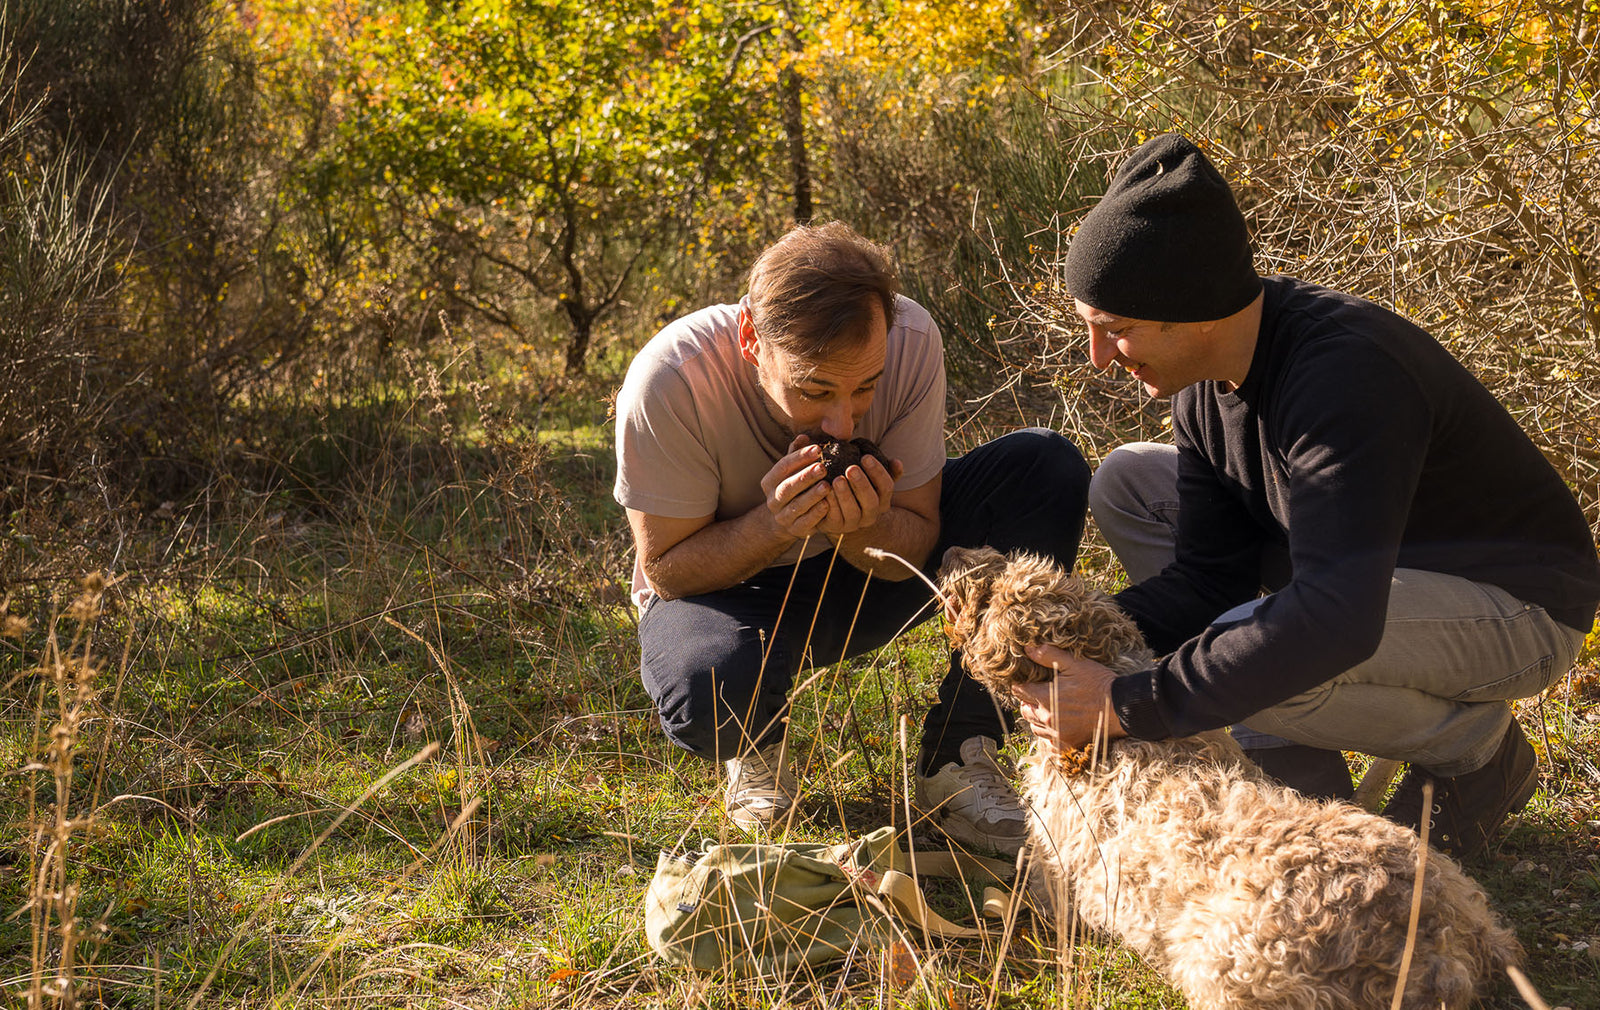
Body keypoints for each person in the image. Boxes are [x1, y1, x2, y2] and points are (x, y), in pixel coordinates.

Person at [1013, 133, 1600, 859]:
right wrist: (1068, 649)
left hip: (1517, 608)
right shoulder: (1205, 387)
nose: (1100, 359)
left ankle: (1479, 751)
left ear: (1194, 309)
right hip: (1365, 587)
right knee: (1128, 480)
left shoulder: (1343, 378)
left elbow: (1333, 620)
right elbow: (1209, 577)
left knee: (1261, 661)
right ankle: (1300, 770)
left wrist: (1128, 700)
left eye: (1117, 330)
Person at [613, 221, 1090, 854]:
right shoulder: (671, 380)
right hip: (729, 591)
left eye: (865, 386)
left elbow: (916, 541)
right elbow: (668, 571)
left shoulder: (912, 339)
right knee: (708, 690)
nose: (842, 421)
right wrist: (774, 523)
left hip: (862, 571)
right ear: (753, 341)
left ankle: (962, 748)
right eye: (814, 390)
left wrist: (859, 525)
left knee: (1044, 468)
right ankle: (755, 741)